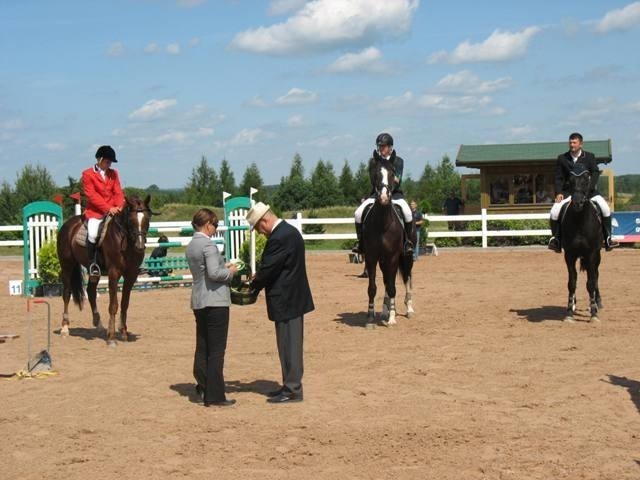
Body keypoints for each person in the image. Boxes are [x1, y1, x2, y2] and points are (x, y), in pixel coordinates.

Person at [246, 202, 314, 404]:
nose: (260, 233)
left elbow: (269, 268)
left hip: (287, 299)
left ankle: (293, 389)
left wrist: (254, 285)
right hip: (291, 297)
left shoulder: (279, 237)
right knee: (287, 344)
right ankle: (289, 385)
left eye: (259, 228)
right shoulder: (288, 232)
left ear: (265, 221)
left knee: (289, 345)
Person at [186, 208, 238, 407]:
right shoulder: (208, 245)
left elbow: (205, 272)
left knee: (203, 344)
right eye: (214, 225)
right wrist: (231, 271)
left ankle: (202, 386)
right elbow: (215, 274)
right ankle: (215, 395)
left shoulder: (191, 245)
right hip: (215, 301)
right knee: (216, 350)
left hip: (198, 300)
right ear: (207, 224)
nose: (215, 229)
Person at [548, 132, 618, 252]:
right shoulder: (562, 158)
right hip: (568, 192)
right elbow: (558, 177)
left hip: (588, 192)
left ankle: (608, 239)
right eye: (570, 142)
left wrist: (590, 188)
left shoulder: (589, 157)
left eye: (574, 142)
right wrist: (559, 192)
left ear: (581, 144)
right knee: (554, 212)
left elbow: (595, 172)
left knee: (605, 209)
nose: (571, 144)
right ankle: (556, 240)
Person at [352, 133, 415, 256]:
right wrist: (380, 191)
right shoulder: (373, 161)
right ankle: (361, 243)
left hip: (395, 194)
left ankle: (407, 242)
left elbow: (398, 179)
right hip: (377, 194)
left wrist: (389, 190)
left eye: (384, 146)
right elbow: (373, 179)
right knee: (358, 213)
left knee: (407, 213)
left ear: (390, 147)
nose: (381, 149)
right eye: (380, 146)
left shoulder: (398, 161)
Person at [81, 145, 125, 280]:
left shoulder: (114, 173)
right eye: (107, 161)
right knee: (93, 234)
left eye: (110, 162)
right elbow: (92, 196)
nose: (109, 164)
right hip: (95, 212)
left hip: (114, 211)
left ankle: (130, 263)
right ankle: (93, 264)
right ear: (99, 159)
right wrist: (107, 208)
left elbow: (117, 191)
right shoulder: (87, 174)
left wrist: (119, 206)